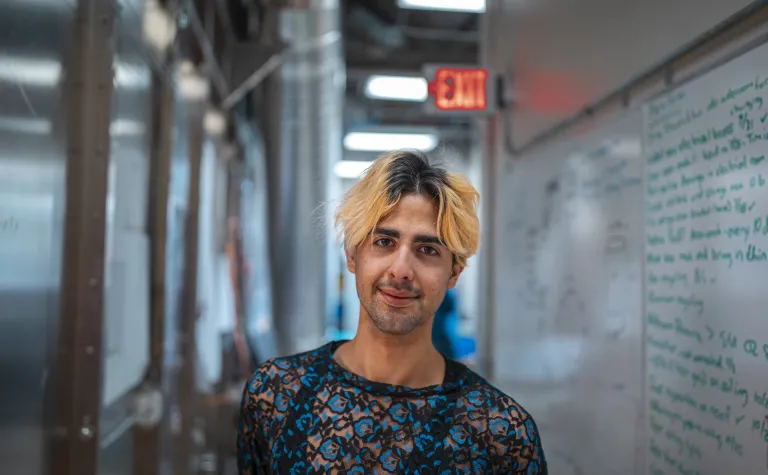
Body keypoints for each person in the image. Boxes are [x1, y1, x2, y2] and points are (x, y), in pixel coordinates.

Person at [237, 150, 547, 474]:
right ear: (352, 254)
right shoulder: (275, 395)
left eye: (427, 250)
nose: (401, 270)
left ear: (454, 272)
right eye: (384, 242)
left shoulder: (503, 434)